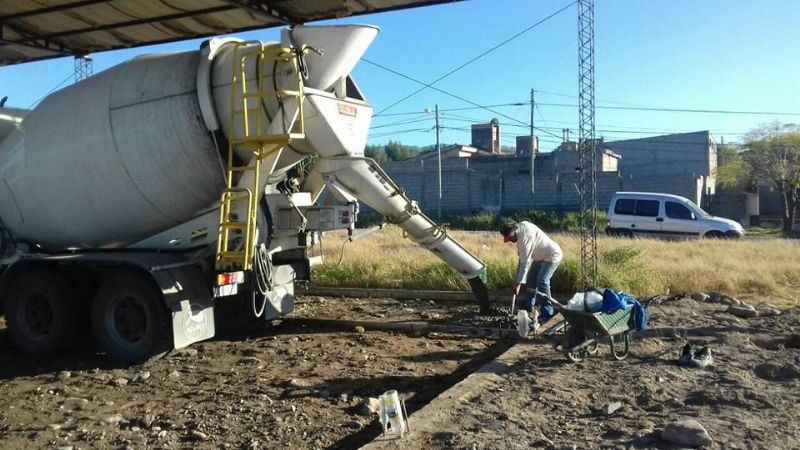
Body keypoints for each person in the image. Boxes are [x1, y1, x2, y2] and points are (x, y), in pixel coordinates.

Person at [499, 219, 563, 322]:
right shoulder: (522, 228)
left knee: (542, 281)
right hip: (539, 256)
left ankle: (547, 313)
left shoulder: (524, 239)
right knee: (531, 282)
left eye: (509, 238)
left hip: (552, 255)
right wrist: (518, 280)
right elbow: (522, 260)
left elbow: (525, 263)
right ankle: (529, 309)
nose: (510, 241)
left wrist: (518, 283)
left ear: (513, 232)